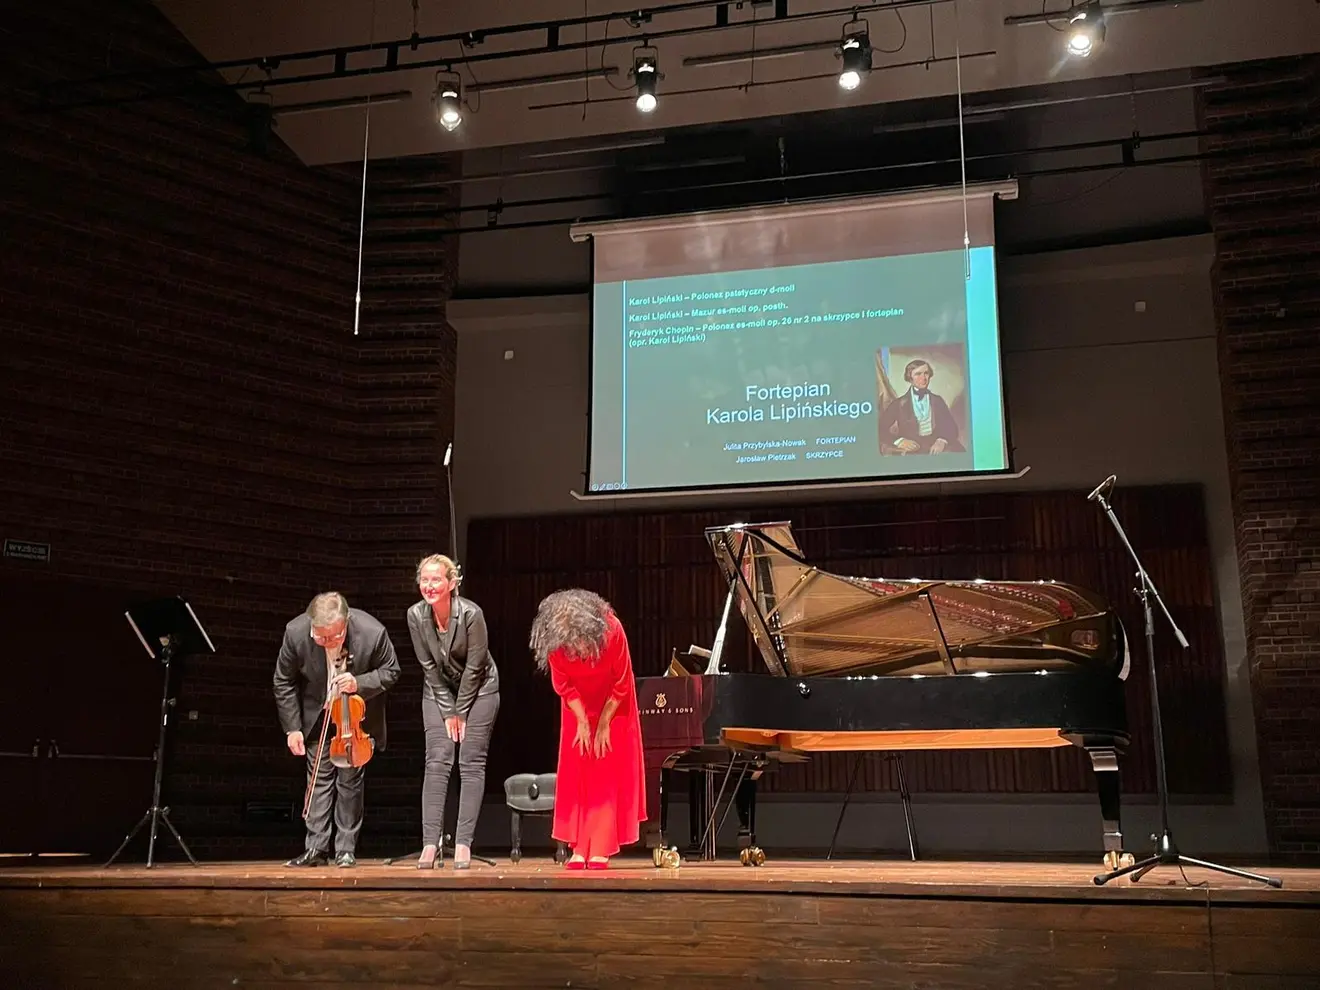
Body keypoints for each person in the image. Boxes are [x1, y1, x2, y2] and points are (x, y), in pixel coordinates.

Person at [273, 591, 400, 868]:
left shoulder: (372, 632)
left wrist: (358, 683)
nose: (329, 642)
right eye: (321, 638)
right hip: (317, 714)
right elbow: (283, 680)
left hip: (352, 717)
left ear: (346, 622)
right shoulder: (295, 633)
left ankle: (345, 849)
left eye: (335, 636)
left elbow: (391, 671)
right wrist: (292, 728)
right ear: (311, 626)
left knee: (349, 782)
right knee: (317, 781)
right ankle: (315, 848)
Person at [530, 589, 646, 869]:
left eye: (581, 641)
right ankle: (580, 846)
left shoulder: (612, 629)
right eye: (572, 644)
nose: (579, 649)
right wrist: (583, 721)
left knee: (606, 768)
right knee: (579, 768)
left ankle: (601, 846)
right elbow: (563, 685)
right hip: (578, 705)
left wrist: (603, 722)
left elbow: (622, 680)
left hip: (615, 702)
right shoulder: (557, 641)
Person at [406, 554, 500, 870]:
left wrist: (460, 711)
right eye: (424, 580)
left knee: (470, 761)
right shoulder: (415, 615)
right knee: (437, 759)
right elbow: (428, 667)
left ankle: (463, 843)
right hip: (439, 691)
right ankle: (429, 843)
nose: (429, 586)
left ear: (451, 583)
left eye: (436, 579)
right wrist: (448, 711)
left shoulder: (472, 614)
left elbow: (475, 667)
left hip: (480, 689)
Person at [878, 358, 965, 454]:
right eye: (918, 374)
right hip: (913, 449)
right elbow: (880, 429)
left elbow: (952, 427)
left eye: (926, 373)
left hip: (935, 445)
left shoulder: (938, 401)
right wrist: (899, 441)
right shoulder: (898, 404)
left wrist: (942, 440)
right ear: (910, 378)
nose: (923, 378)